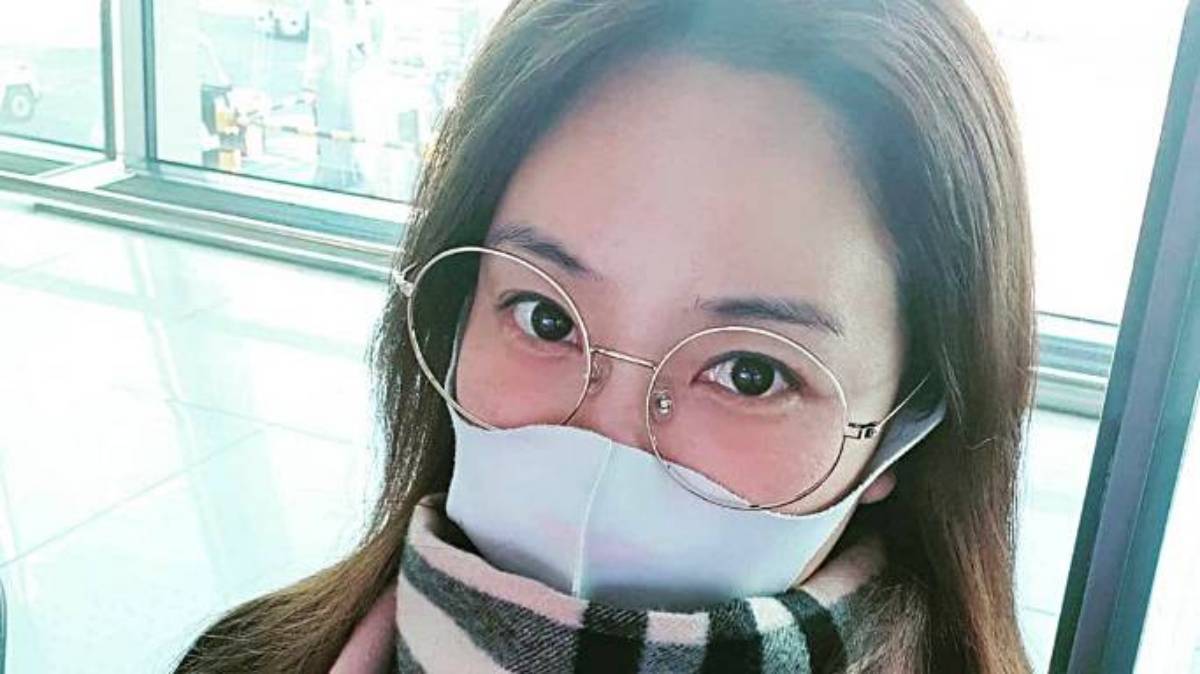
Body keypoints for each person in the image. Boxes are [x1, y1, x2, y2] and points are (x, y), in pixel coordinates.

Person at [176, 0, 1034, 671]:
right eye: (545, 318)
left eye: (751, 373)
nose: (603, 444)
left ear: (903, 425)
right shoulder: (246, 661)